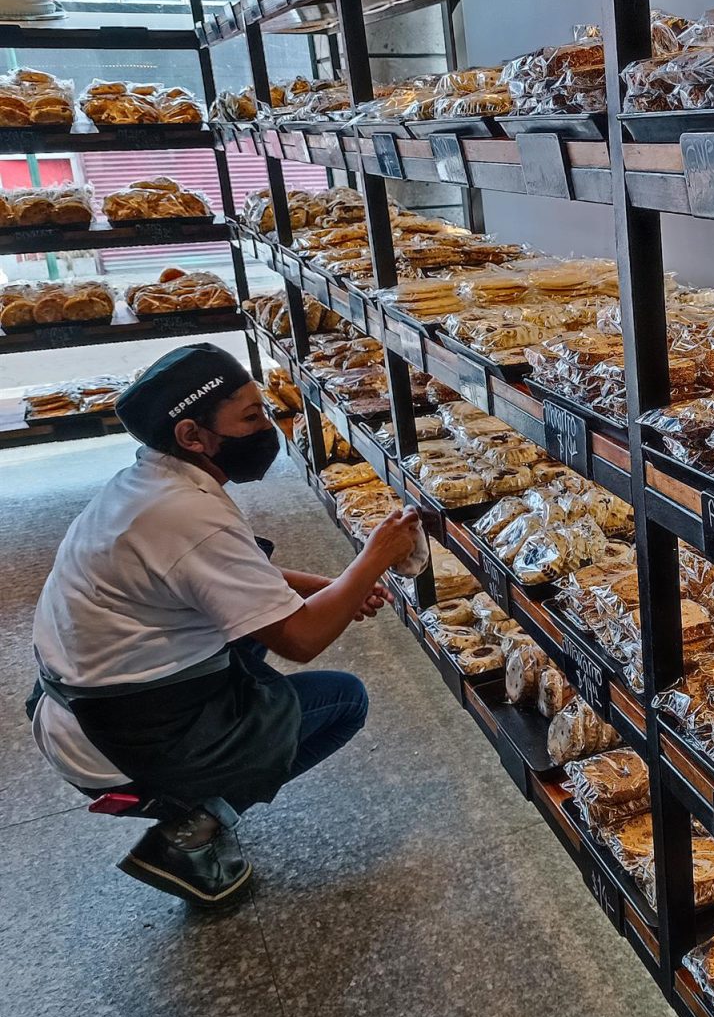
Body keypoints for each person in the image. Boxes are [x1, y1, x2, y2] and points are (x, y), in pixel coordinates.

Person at [26, 343, 422, 907]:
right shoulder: (188, 515)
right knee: (343, 701)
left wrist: (336, 587)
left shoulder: (148, 483)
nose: (269, 427)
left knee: (250, 649)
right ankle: (192, 830)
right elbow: (302, 640)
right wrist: (374, 557)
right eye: (251, 417)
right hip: (122, 731)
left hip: (80, 701)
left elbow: (229, 572)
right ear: (192, 436)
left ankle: (202, 796)